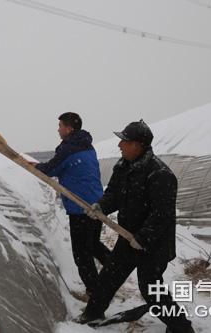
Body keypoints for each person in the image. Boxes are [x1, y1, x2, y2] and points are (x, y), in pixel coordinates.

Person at [79, 120, 194, 333]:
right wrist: (101, 207)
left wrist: (142, 238)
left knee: (151, 289)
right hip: (128, 236)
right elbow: (113, 194)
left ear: (138, 145)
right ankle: (93, 313)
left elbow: (162, 214)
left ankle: (181, 327)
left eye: (124, 141)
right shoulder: (123, 166)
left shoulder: (160, 174)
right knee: (109, 276)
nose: (119, 145)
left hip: (154, 243)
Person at [32, 112, 110, 299]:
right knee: (92, 245)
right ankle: (115, 269)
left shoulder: (68, 149)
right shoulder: (88, 146)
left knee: (81, 254)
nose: (58, 129)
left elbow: (50, 170)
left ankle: (96, 292)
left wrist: (33, 166)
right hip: (96, 205)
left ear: (69, 128)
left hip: (80, 208)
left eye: (60, 125)